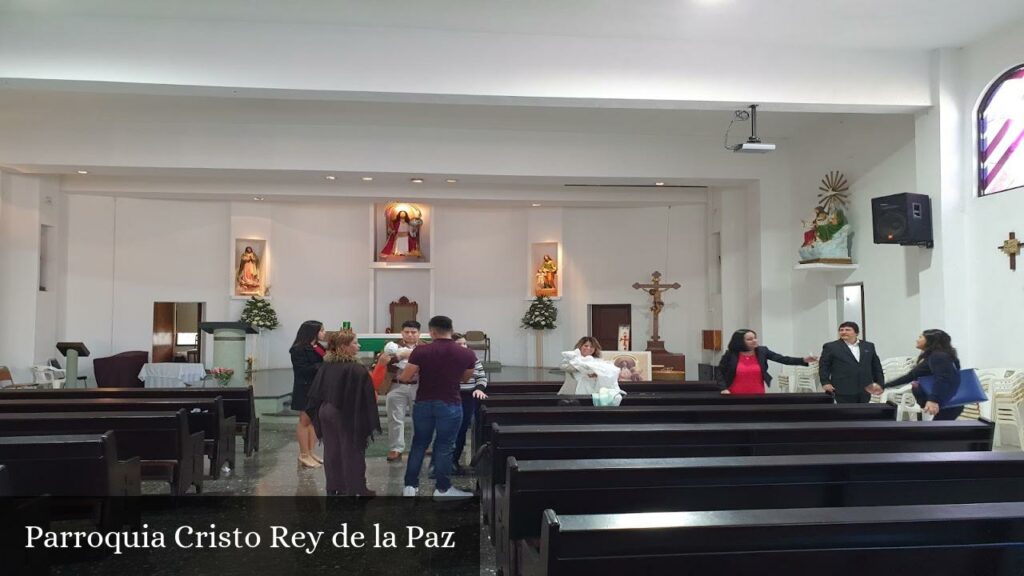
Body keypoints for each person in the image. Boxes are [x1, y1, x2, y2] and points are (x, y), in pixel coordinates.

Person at [400, 316, 477, 499]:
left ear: (432, 332)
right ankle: (442, 488)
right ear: (451, 329)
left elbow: (405, 377)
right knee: (444, 446)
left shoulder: (421, 350)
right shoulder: (467, 354)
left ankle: (410, 486)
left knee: (419, 444)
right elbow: (465, 378)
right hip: (450, 402)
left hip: (424, 402)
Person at [305, 330, 383, 496]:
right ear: (343, 347)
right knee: (353, 450)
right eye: (355, 343)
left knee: (332, 449)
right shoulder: (356, 368)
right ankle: (356, 488)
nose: (359, 346)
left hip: (325, 411)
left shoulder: (327, 365)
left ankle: (334, 486)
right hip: (345, 413)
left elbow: (317, 391)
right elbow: (368, 393)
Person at [872, 329, 964, 420]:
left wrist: (933, 400)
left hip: (946, 402)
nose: (917, 340)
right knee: (938, 430)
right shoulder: (933, 356)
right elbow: (910, 376)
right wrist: (884, 386)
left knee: (938, 431)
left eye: (921, 337)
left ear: (930, 340)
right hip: (945, 402)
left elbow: (943, 379)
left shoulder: (938, 356)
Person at [718, 329, 817, 395]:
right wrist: (723, 389)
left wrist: (803, 360)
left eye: (755, 338)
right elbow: (720, 372)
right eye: (749, 339)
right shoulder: (731, 354)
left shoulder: (762, 351)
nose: (755, 341)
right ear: (740, 341)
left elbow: (782, 359)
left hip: (758, 393)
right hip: (734, 393)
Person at [385, 320, 425, 462]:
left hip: (419, 385)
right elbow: (382, 361)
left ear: (419, 334)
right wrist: (398, 356)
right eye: (406, 332)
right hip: (397, 384)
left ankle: (421, 446)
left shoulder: (425, 347)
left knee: (420, 418)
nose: (410, 335)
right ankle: (396, 448)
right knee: (395, 418)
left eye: (413, 332)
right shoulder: (392, 346)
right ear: (402, 333)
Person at [818, 321, 885, 403]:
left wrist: (880, 383)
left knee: (863, 413)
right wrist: (825, 382)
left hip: (865, 388)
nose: (843, 332)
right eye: (841, 330)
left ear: (856, 333)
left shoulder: (868, 346)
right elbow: (824, 366)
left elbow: (876, 366)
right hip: (842, 389)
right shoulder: (831, 347)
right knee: (845, 414)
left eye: (847, 330)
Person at [290, 320, 326, 468]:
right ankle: (303, 454)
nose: (324, 333)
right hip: (305, 388)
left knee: (313, 421)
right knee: (304, 421)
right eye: (321, 330)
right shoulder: (298, 349)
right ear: (312, 332)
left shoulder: (318, 347)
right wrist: (324, 364)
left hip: (317, 387)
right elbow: (302, 370)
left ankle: (310, 452)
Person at [451, 332, 488, 475]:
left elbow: (481, 377)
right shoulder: (446, 359)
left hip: (468, 397)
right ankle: (448, 462)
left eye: (464, 343)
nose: (463, 346)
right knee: (451, 430)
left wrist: (479, 389)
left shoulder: (472, 357)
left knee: (461, 430)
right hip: (451, 396)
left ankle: (455, 461)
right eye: (459, 344)